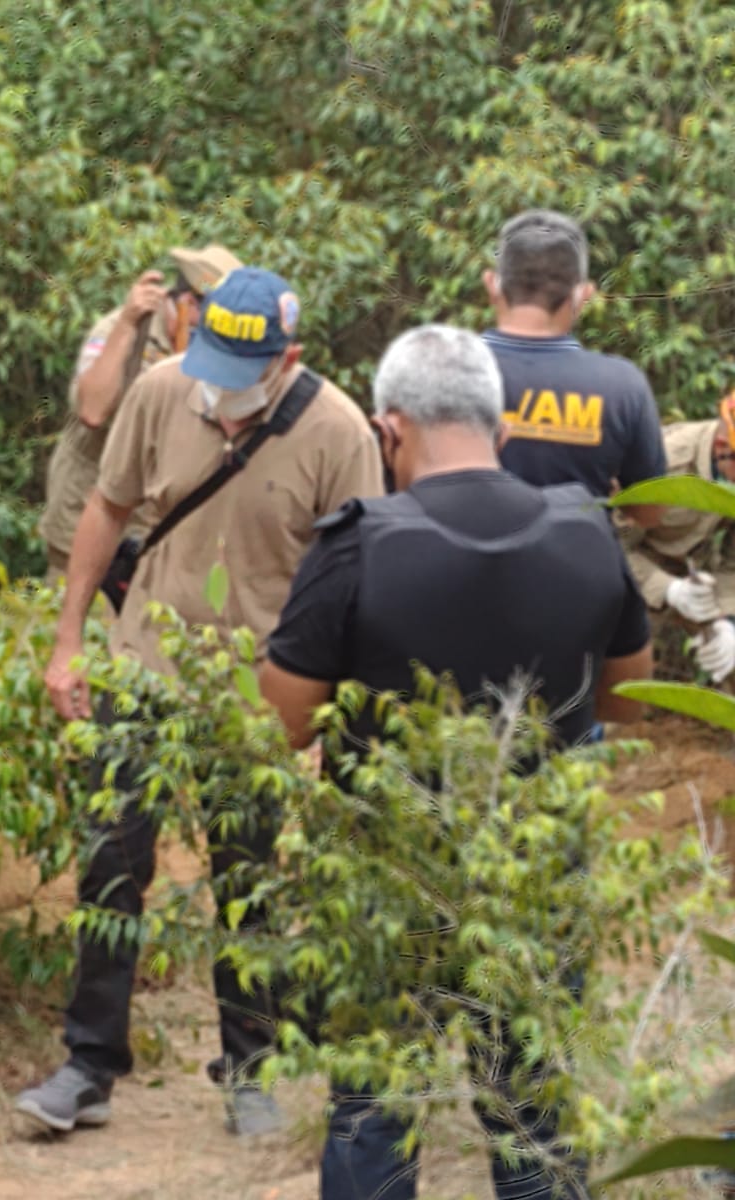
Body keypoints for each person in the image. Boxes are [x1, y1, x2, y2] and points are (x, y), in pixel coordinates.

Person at [258, 324, 652, 1200]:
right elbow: (629, 701)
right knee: (535, 1113)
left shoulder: (356, 545)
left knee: (374, 1107)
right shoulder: (588, 534)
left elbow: (280, 724)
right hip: (536, 876)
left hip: (386, 880)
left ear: (386, 430)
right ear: (501, 429)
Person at [15, 266, 383, 1137]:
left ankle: (248, 1071)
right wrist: (71, 641)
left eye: (240, 368)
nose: (217, 385)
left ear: (288, 357)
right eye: (209, 357)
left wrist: (333, 713)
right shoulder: (161, 389)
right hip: (145, 665)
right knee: (111, 863)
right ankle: (88, 1066)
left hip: (259, 692)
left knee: (247, 879)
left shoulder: (339, 433)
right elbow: (106, 510)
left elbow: (361, 580)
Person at [38, 245, 242, 580]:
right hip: (85, 517)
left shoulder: (215, 352)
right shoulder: (119, 329)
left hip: (153, 533)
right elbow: (92, 410)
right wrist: (127, 325)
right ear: (189, 302)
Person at [481, 209, 667, 525]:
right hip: (579, 568)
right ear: (582, 295)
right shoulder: (621, 386)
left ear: (492, 285)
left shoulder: (441, 369)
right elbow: (650, 511)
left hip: (461, 570)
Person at [620, 392, 735, 684]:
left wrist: (727, 621)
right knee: (614, 675)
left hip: (693, 566)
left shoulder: (728, 467)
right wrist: (668, 590)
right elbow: (608, 549)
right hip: (628, 563)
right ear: (723, 448)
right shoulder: (663, 463)